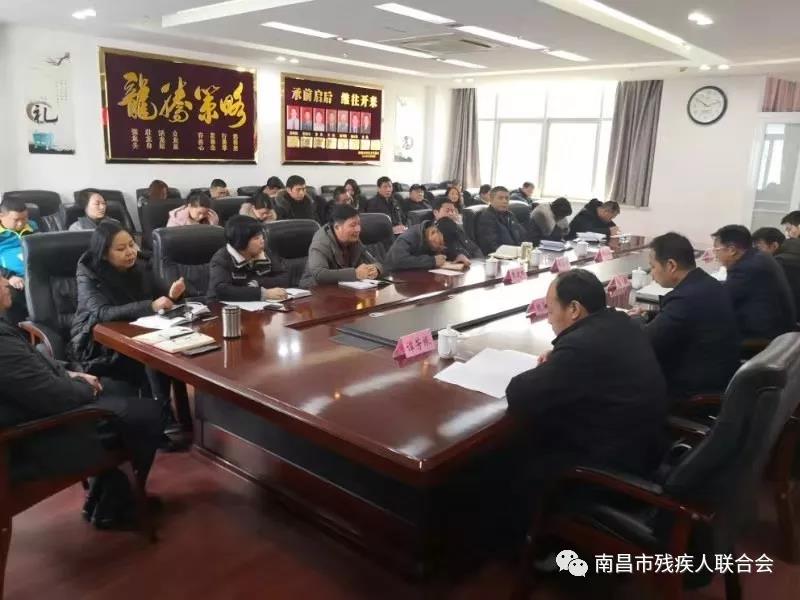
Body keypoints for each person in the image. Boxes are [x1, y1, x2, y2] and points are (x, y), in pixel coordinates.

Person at [0, 275, 163, 530]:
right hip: (34, 440)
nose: (6, 283)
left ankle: (110, 494)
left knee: (119, 387)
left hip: (33, 409)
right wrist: (87, 387)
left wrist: (71, 374)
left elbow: (33, 367)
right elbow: (53, 396)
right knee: (149, 413)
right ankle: (122, 502)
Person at [506, 268, 667, 493]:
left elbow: (519, 394)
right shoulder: (624, 324)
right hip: (646, 448)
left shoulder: (581, 347)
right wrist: (561, 357)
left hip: (611, 469)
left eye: (550, 311)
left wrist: (561, 360)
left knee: (509, 456)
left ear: (574, 309)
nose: (549, 320)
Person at [69, 221, 187, 442]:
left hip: (138, 330)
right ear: (104, 253)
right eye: (121, 249)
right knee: (152, 354)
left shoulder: (141, 263)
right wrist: (151, 306)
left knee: (169, 347)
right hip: (95, 339)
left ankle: (168, 415)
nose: (130, 252)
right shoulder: (88, 272)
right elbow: (102, 312)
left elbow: (160, 296)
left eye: (132, 244)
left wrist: (173, 295)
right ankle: (161, 420)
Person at [630, 233, 740, 401]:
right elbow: (681, 321)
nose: (652, 273)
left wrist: (633, 321)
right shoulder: (708, 283)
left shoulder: (685, 298)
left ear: (671, 265)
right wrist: (648, 316)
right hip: (720, 375)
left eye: (653, 266)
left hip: (692, 389)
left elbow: (647, 342)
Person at [712, 224, 796, 340]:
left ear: (732, 250)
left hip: (762, 336)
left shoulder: (747, 267)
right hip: (777, 329)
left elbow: (721, 300)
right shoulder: (758, 257)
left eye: (716, 250)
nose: (715, 254)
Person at [207, 215, 289, 302]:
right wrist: (263, 293)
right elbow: (222, 290)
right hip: (223, 307)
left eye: (262, 236)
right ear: (241, 242)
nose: (262, 241)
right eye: (256, 238)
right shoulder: (222, 258)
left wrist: (257, 283)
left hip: (259, 305)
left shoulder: (263, 252)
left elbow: (284, 278)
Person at [299, 204, 383, 288]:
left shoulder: (353, 239)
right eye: (353, 225)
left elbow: (376, 263)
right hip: (314, 290)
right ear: (337, 227)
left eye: (359, 224)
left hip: (343, 288)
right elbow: (319, 274)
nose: (358, 229)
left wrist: (376, 269)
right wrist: (355, 274)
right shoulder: (321, 242)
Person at [0, 196, 38, 325]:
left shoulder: (32, 226)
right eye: (16, 220)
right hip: (11, 279)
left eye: (24, 218)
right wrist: (9, 276)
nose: (21, 223)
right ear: (1, 216)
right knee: (10, 296)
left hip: (36, 274)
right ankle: (18, 332)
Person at [385, 218, 472, 272]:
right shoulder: (409, 237)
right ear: (433, 232)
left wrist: (458, 255)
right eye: (440, 244)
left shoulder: (437, 237)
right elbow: (398, 260)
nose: (442, 248)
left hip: (423, 277)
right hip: (398, 279)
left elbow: (448, 250)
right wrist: (432, 261)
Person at [752, 226, 800, 320]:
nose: (755, 252)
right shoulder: (794, 251)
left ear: (774, 246)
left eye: (758, 247)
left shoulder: (780, 263)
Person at [476, 186, 526, 255]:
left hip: (516, 254)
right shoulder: (486, 218)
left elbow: (523, 237)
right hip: (500, 257)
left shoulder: (510, 215)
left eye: (507, 198)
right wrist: (516, 252)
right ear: (491, 199)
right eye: (500, 198)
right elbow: (492, 246)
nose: (505, 201)